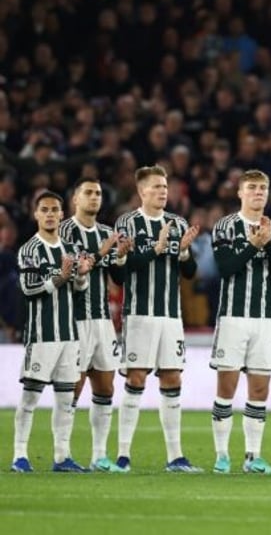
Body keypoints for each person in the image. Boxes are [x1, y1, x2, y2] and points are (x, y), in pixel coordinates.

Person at [114, 166, 202, 472]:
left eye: (165, 186)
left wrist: (186, 254)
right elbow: (122, 271)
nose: (163, 191)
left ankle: (175, 457)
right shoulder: (128, 222)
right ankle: (123, 455)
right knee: (136, 378)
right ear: (141, 192)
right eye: (156, 187)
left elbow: (191, 273)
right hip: (139, 314)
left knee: (172, 378)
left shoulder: (177, 223)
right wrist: (158, 248)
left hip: (171, 316)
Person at [210, 170, 271, 474]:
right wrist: (253, 245)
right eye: (252, 188)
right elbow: (225, 268)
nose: (258, 192)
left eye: (263, 188)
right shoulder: (226, 226)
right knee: (227, 389)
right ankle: (221, 456)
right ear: (240, 193)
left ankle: (252, 457)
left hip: (264, 321)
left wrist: (268, 243)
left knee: (259, 391)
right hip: (232, 319)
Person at [12, 191, 94, 472]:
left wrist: (82, 274)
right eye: (44, 209)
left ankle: (62, 456)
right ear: (36, 214)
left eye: (54, 210)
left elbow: (79, 290)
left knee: (65, 398)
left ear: (62, 214)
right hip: (42, 334)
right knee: (31, 396)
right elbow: (28, 289)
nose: (49, 214)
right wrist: (59, 277)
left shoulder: (70, 250)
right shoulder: (29, 249)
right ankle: (19, 456)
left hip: (68, 335)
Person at [59, 178, 133, 472]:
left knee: (105, 386)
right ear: (75, 199)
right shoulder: (65, 230)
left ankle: (99, 456)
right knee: (72, 388)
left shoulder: (106, 232)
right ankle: (61, 455)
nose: (94, 197)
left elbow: (118, 278)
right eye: (88, 193)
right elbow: (77, 266)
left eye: (98, 193)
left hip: (103, 320)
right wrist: (104, 253)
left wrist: (122, 257)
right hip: (75, 320)